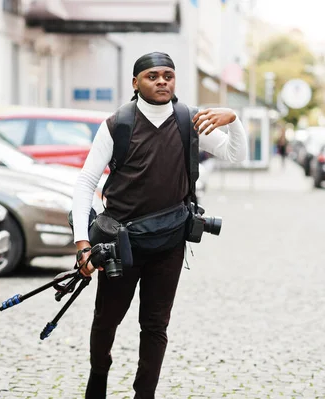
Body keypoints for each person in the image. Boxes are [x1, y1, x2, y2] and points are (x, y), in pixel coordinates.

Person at [72, 52, 247, 399]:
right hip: (120, 245)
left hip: (169, 244)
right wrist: (82, 244)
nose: (162, 81)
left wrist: (234, 120)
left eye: (168, 75)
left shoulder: (189, 121)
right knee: (107, 320)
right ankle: (98, 377)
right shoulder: (117, 125)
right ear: (135, 83)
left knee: (155, 325)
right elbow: (85, 183)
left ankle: (144, 394)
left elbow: (234, 155)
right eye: (152, 76)